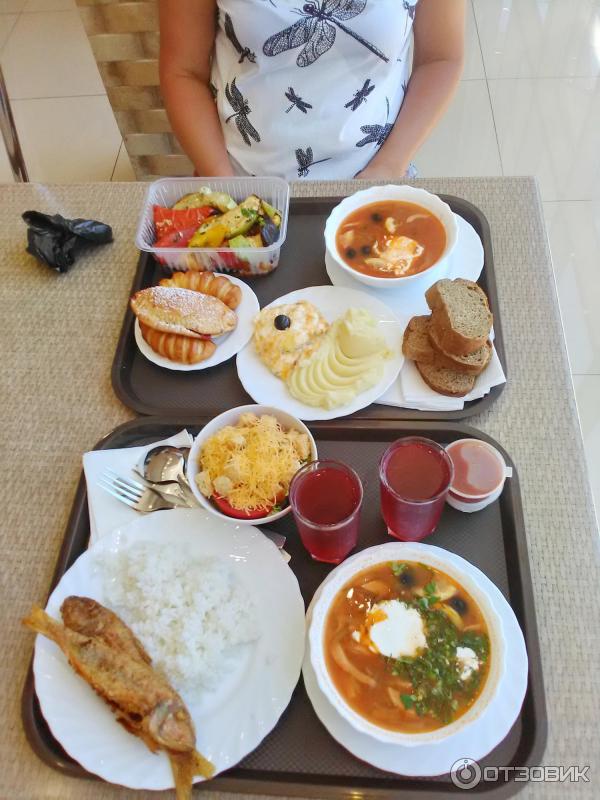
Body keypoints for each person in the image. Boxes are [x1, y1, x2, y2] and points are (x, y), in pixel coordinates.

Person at [159, 0, 465, 180]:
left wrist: (388, 167)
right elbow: (184, 72)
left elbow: (440, 58)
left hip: (379, 171)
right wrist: (224, 181)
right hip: (240, 176)